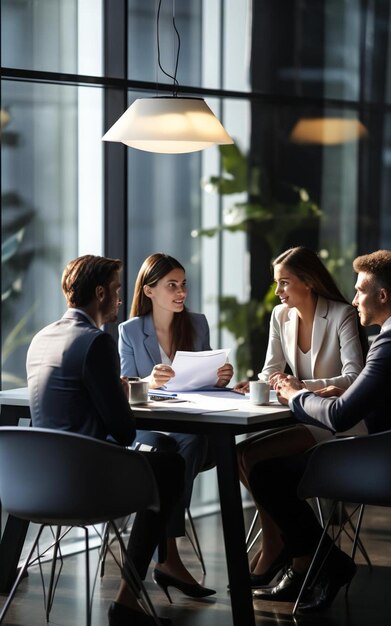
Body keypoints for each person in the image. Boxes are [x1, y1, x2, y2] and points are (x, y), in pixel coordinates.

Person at [250, 249, 391, 612]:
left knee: (265, 475)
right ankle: (314, 562)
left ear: (383, 296)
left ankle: (326, 561)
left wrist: (296, 393)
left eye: (360, 290)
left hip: (385, 465)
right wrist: (347, 390)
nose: (353, 298)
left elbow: (340, 417)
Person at [26, 254, 185, 626]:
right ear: (99, 293)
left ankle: (137, 594)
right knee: (170, 466)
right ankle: (127, 601)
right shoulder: (95, 343)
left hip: (39, 482)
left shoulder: (41, 338)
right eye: (115, 291)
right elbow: (125, 431)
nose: (119, 300)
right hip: (86, 483)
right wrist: (116, 390)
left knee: (161, 452)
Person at [233, 246, 365, 587]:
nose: (278, 292)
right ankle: (277, 542)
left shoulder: (341, 315)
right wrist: (254, 384)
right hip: (304, 417)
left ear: (308, 281)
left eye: (285, 283)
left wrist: (300, 386)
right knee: (240, 455)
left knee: (255, 458)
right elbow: (271, 371)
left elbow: (354, 377)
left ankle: (284, 546)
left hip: (338, 421)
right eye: (278, 284)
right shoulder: (281, 316)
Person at [118, 253, 233, 598]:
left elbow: (209, 380)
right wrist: (150, 382)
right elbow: (124, 387)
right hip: (146, 433)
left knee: (192, 442)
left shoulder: (196, 324)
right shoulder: (131, 331)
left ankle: (166, 554)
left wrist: (221, 378)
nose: (181, 292)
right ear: (149, 291)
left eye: (183, 284)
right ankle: (168, 556)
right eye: (172, 285)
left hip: (189, 429)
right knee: (180, 448)